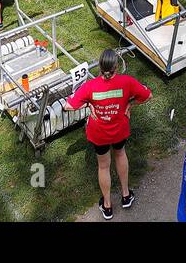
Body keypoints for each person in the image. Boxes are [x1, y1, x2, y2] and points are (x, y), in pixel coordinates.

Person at [65, 49, 152, 220]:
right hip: (119, 130)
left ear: (99, 66)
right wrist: (130, 105)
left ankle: (107, 206)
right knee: (120, 155)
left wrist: (88, 105)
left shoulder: (89, 86)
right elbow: (148, 95)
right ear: (116, 67)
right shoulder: (127, 82)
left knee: (103, 166)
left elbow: (68, 106)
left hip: (99, 133)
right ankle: (126, 196)